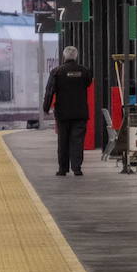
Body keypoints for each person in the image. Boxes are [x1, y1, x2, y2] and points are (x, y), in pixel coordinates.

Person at [42, 46, 93, 176]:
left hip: (63, 113)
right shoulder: (84, 71)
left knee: (63, 141)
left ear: (64, 56)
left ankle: (63, 169)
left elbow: (49, 91)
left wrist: (46, 108)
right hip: (80, 113)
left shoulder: (57, 72)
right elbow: (88, 83)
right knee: (78, 141)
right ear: (76, 56)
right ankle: (77, 168)